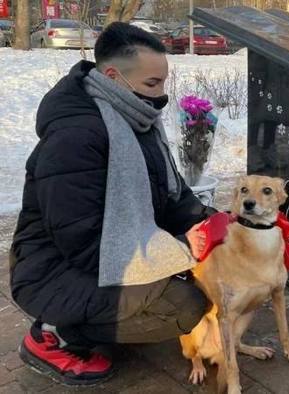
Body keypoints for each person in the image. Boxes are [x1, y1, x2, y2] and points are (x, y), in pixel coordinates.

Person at [9, 23, 216, 386]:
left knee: (200, 277)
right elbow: (84, 241)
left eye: (164, 82)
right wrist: (179, 249)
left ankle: (103, 322)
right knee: (185, 305)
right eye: (153, 84)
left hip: (100, 255)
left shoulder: (136, 117)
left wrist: (212, 223)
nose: (162, 96)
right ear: (112, 76)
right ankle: (53, 334)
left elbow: (173, 195)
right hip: (53, 269)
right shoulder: (75, 137)